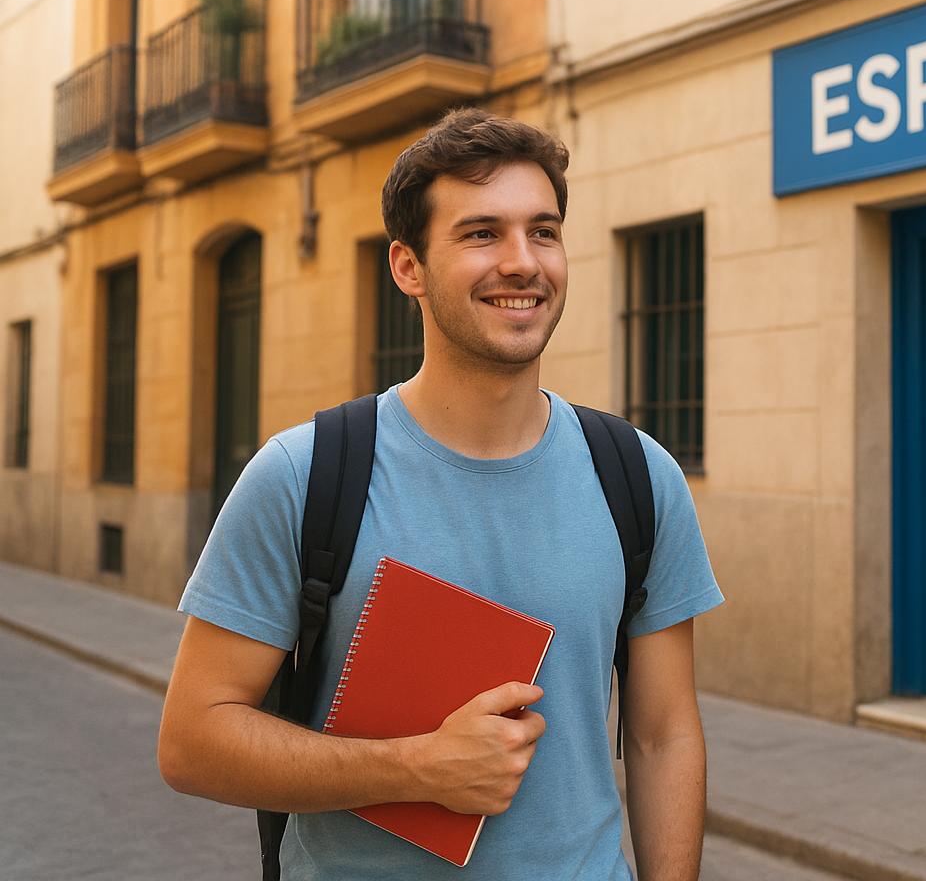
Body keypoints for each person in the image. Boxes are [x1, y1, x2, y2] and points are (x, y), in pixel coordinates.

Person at [158, 108, 723, 881]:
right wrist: (416, 769)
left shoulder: (638, 475)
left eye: (544, 231)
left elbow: (662, 736)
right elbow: (193, 742)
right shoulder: (304, 474)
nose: (523, 262)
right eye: (482, 233)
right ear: (408, 268)